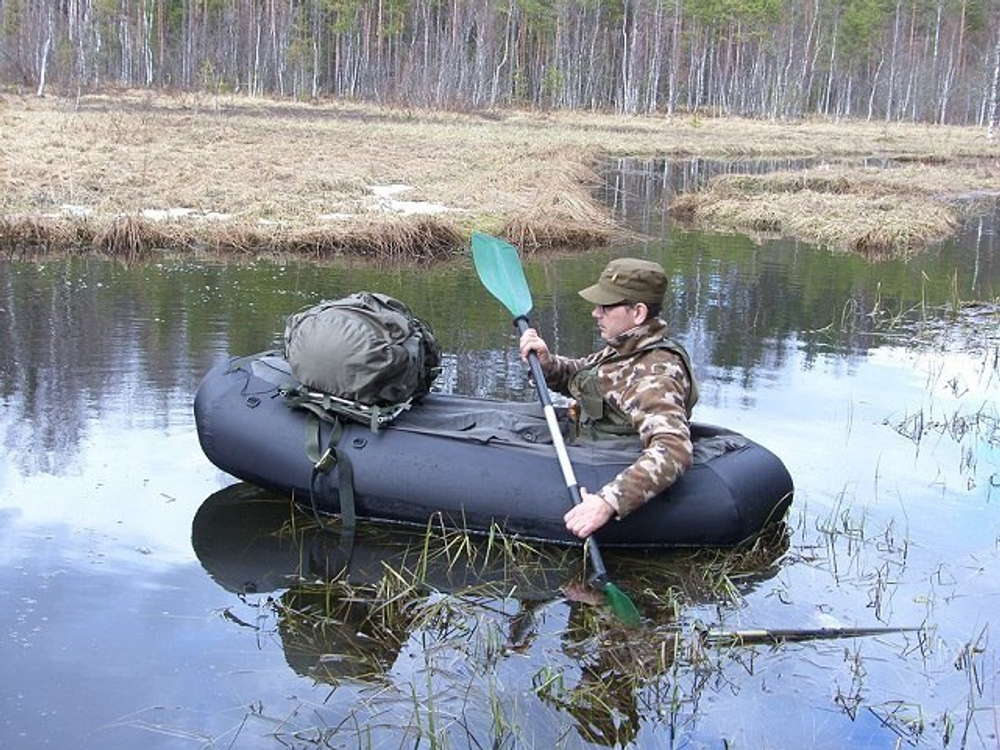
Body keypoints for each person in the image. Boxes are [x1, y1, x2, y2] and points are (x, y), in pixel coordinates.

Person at [519, 257, 699, 539]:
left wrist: (608, 502)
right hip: (589, 442)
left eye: (605, 306)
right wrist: (548, 365)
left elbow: (673, 448)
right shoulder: (625, 348)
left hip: (606, 462)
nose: (595, 313)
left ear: (637, 312)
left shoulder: (654, 374)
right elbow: (585, 375)